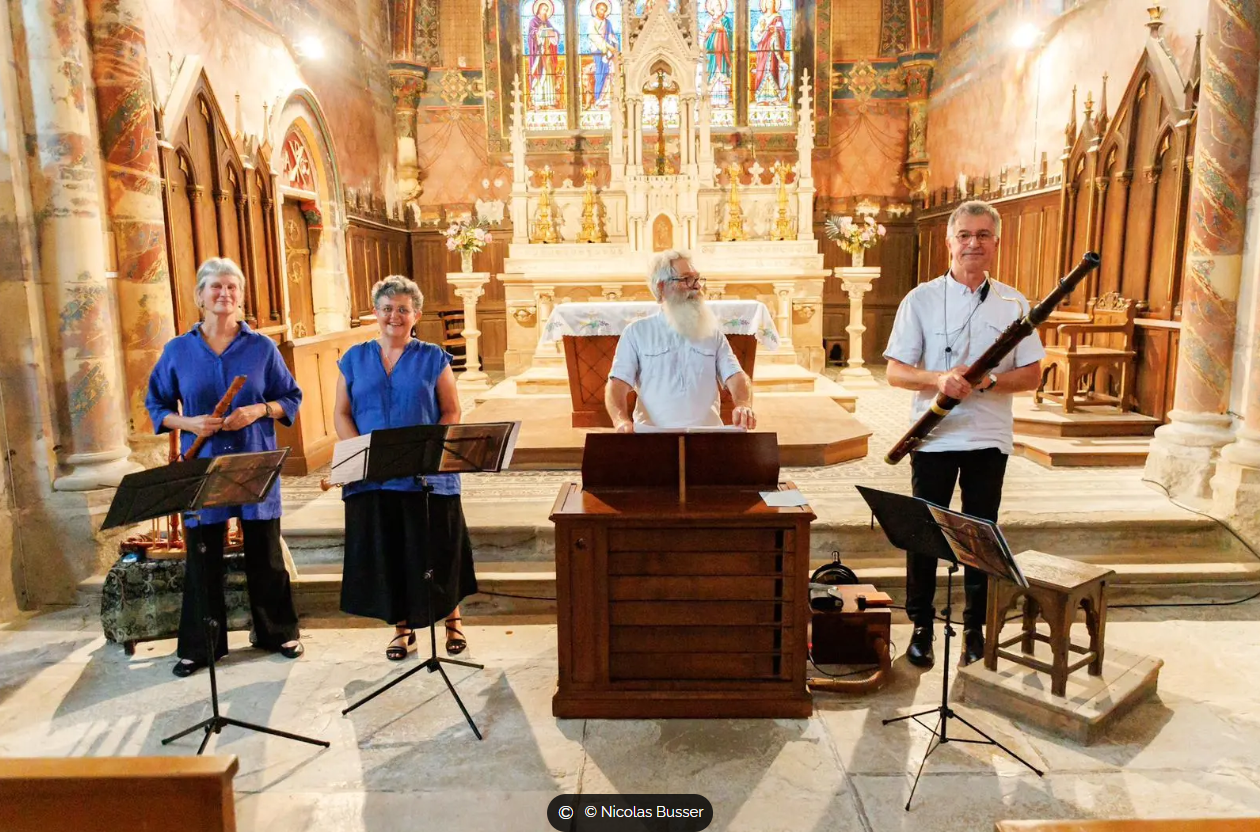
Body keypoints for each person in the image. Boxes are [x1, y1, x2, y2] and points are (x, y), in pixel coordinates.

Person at [883, 200, 1045, 669]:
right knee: (924, 535)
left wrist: (988, 381)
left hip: (988, 438)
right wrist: (938, 380)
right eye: (965, 235)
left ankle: (975, 627)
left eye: (983, 235)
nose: (973, 243)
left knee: (979, 535)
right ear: (949, 241)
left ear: (996, 243)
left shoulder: (1015, 304)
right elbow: (895, 372)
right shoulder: (921, 299)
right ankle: (921, 626)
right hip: (933, 437)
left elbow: (1033, 375)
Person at [146, 257, 304, 678]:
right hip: (203, 467)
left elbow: (291, 397)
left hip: (253, 460)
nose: (224, 294)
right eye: (215, 287)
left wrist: (257, 410)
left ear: (241, 295)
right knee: (203, 558)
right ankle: (201, 647)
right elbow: (156, 406)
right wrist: (189, 422)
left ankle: (277, 632)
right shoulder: (178, 350)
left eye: (232, 287)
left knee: (265, 554)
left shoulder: (261, 347)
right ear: (200, 296)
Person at [333, 275, 477, 660]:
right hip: (373, 476)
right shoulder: (353, 358)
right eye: (386, 309)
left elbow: (451, 410)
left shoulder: (433, 357)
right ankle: (402, 628)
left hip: (424, 473)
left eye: (402, 309)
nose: (393, 316)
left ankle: (452, 618)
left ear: (416, 314)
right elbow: (342, 413)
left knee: (436, 549)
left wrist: (432, 450)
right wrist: (360, 453)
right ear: (375, 313)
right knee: (390, 552)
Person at [605, 250, 756, 431]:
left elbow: (735, 376)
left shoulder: (712, 334)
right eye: (686, 279)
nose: (697, 286)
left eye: (697, 279)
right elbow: (618, 383)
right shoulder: (636, 333)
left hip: (707, 435)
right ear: (662, 287)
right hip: (652, 435)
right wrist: (620, 420)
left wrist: (743, 404)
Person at [588, 0, 619, 107]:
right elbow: (593, 36)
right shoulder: (592, 22)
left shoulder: (608, 22)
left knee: (607, 73)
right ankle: (597, 98)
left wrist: (614, 42)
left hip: (608, 53)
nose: (603, 12)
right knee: (599, 74)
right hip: (598, 51)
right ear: (596, 9)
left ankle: (604, 97)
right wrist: (607, 45)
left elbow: (611, 35)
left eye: (605, 10)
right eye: (601, 9)